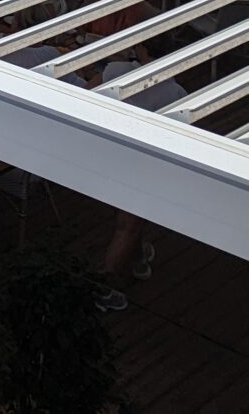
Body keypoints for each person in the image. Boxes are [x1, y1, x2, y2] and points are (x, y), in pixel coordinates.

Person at [93, 45, 186, 311]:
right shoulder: (174, 92)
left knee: (130, 222)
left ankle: (138, 258)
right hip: (143, 166)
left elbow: (86, 95)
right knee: (127, 226)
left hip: (110, 156)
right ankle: (104, 287)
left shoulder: (115, 70)